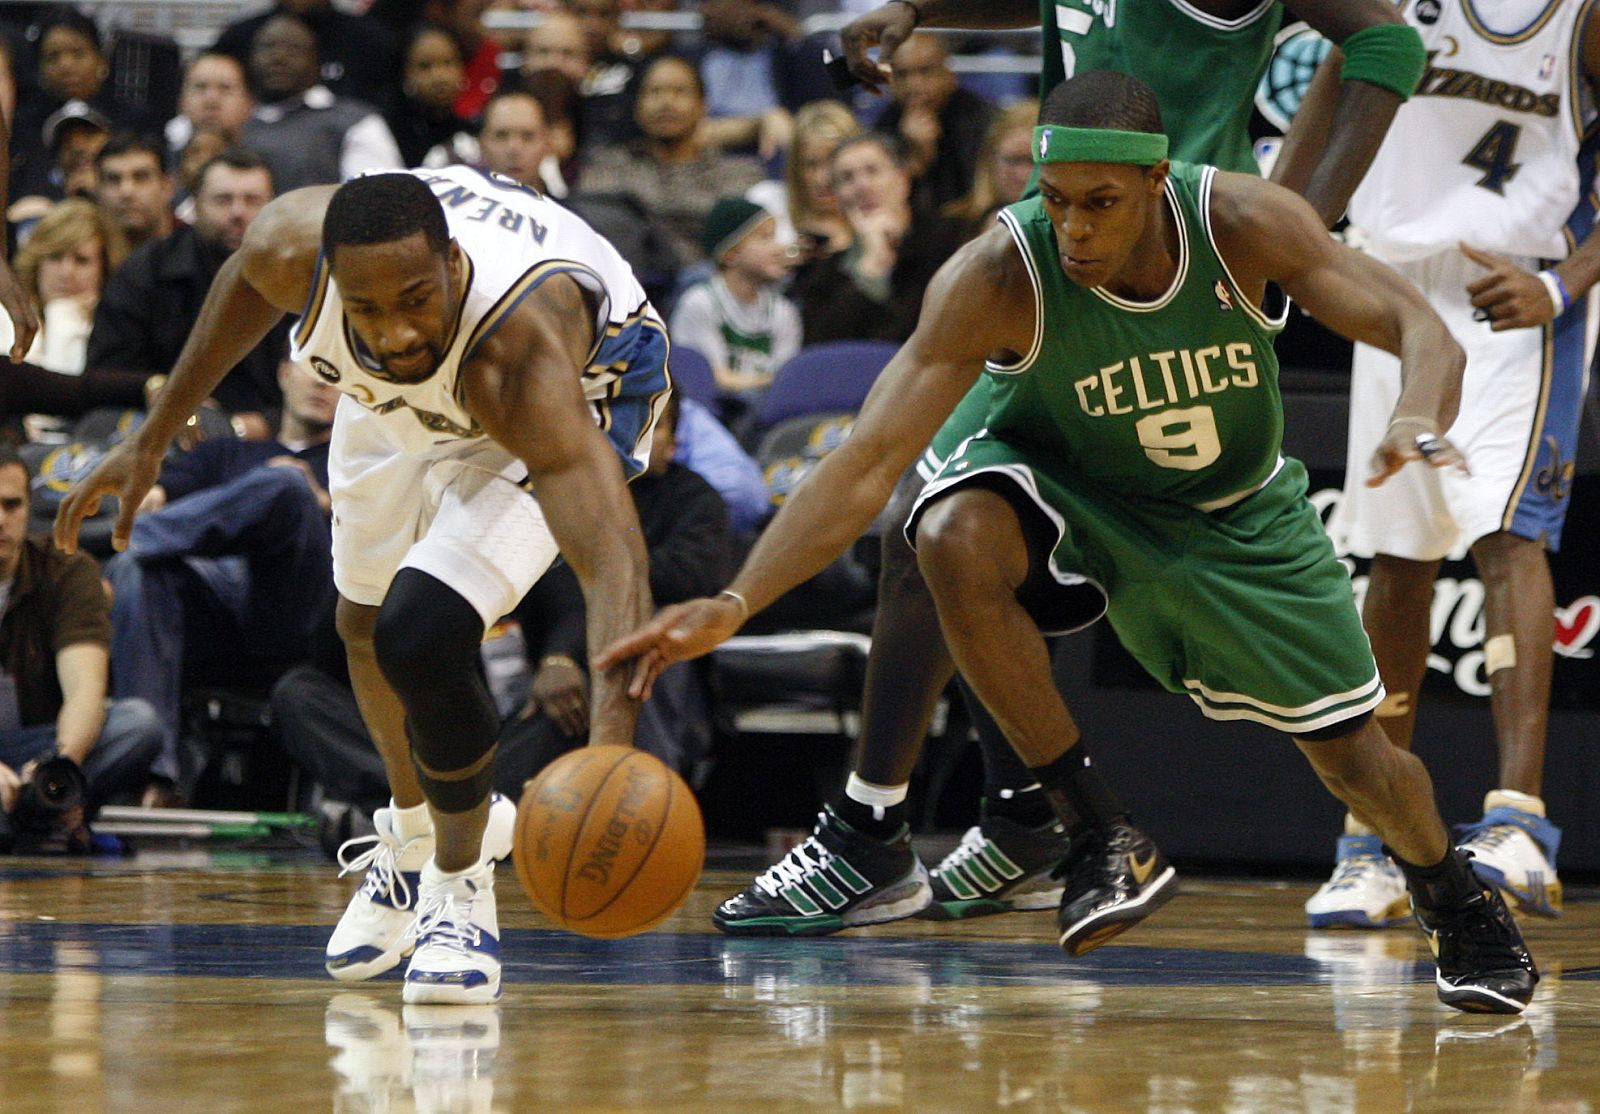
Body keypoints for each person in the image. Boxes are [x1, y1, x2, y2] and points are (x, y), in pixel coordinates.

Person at [599, 72, 1538, 1016]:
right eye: (1057, 202)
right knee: (945, 528)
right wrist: (734, 602)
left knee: (1357, 762)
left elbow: (1422, 327)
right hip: (1067, 486)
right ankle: (1095, 830)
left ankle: (1453, 898)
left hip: (1232, 514)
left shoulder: (1245, 221)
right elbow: (865, 460)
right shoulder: (999, 273)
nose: (1077, 229)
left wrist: (1414, 411)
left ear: (1157, 182)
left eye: (1102, 204)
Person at [797, 0, 1427, 925]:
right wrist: (921, 10)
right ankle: (990, 821)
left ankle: (919, 831)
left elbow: (1388, 39)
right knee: (952, 525)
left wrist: (1306, 225)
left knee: (941, 521)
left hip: (1182, 262)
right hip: (1064, 255)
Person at [54, 164, 668, 1005]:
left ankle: (461, 886)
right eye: (366, 307)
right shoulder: (295, 253)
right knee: (362, 624)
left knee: (422, 630)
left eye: (414, 298)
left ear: (451, 264)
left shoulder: (521, 354)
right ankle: (416, 839)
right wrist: (156, 436)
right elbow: (242, 284)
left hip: (578, 397)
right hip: (397, 406)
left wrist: (611, 756)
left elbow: (614, 564)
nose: (395, 330)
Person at [1284, 0, 1600, 930]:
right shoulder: (1379, 5)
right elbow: (1321, 118)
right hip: (1384, 285)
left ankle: (1518, 824)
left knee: (1508, 536)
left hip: (1515, 290)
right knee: (1397, 557)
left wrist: (1562, 283)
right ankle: (1373, 840)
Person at [104, 358, 340, 796]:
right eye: (315, 368)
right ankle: (151, 774)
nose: (324, 384)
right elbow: (158, 495)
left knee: (287, 487)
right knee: (137, 570)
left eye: (337, 376)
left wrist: (322, 503)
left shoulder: (354, 466)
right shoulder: (225, 454)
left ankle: (116, 541)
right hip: (210, 608)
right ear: (284, 374)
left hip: (295, 608)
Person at [0, 446, 162, 830]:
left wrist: (59, 769)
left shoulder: (67, 571)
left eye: (12, 505)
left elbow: (85, 692)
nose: (0, 519)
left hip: (35, 747)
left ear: (28, 508)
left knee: (137, 724)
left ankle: (39, 808)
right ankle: (35, 819)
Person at [88, 148, 286, 432]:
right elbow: (104, 374)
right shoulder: (146, 272)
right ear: (194, 205)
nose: (237, 213)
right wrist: (162, 393)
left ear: (273, 207)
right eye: (222, 200)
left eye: (252, 200)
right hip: (161, 431)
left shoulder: (299, 278)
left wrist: (255, 425)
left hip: (277, 438)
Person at [579, 54, 766, 268]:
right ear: (637, 109)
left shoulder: (738, 173)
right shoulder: (608, 165)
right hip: (628, 280)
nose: (666, 103)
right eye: (655, 92)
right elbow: (593, 225)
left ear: (702, 107)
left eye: (680, 92)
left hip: (704, 285)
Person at [790, 132, 968, 345]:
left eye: (873, 171)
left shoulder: (950, 240)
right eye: (847, 178)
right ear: (836, 197)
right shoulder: (825, 271)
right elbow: (823, 353)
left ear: (903, 180)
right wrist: (871, 268)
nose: (862, 186)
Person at [239, 14, 404, 194]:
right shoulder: (237, 122)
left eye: (294, 48)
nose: (279, 57)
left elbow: (379, 202)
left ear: (317, 60)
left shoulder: (356, 122)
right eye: (267, 47)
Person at [668, 197, 800, 408]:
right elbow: (712, 380)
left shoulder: (783, 311)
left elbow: (787, 382)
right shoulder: (700, 303)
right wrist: (770, 382)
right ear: (730, 254)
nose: (778, 248)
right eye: (766, 238)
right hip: (709, 412)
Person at [876, 33, 996, 213]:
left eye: (925, 71)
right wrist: (915, 156)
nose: (914, 85)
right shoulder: (884, 125)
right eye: (902, 74)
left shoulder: (981, 119)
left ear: (948, 74)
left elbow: (983, 188)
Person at [12, 198, 123, 376]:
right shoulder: (6, 321)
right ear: (36, 264)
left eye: (81, 260)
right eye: (55, 257)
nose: (66, 272)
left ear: (104, 270)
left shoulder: (117, 335)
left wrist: (63, 315)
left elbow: (63, 393)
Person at [944, 99, 1040, 242]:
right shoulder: (949, 227)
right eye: (1013, 160)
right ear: (990, 160)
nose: (1023, 175)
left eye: (1035, 162)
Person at [385, 25, 479, 170]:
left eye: (448, 63)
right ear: (406, 73)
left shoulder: (473, 130)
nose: (439, 76)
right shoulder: (388, 132)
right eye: (425, 66)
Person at [164, 52, 255, 163]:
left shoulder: (269, 166)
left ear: (249, 103)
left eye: (225, 88)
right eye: (200, 87)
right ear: (181, 100)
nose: (211, 101)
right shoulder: (161, 165)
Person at [94, 134, 175, 255]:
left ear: (166, 187)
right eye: (113, 179)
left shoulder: (199, 249)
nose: (126, 191)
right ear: (98, 192)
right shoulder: (80, 256)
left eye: (141, 177)